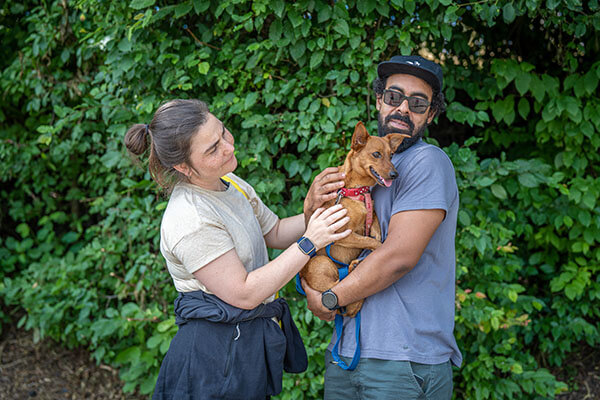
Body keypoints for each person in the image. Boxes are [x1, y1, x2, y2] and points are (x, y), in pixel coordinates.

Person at [124, 99, 351, 400]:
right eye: (212, 149)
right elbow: (244, 293)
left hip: (244, 345)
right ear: (182, 167)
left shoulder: (228, 182)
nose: (229, 147)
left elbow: (274, 232)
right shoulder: (190, 218)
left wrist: (315, 209)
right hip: (213, 360)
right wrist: (309, 243)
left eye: (223, 133)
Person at [301, 55, 463, 399]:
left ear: (431, 114)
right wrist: (310, 206)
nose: (403, 108)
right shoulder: (366, 171)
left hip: (402, 359)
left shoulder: (427, 162)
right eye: (393, 96)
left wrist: (329, 298)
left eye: (417, 103)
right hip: (347, 351)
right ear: (379, 100)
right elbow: (312, 236)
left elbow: (398, 257)